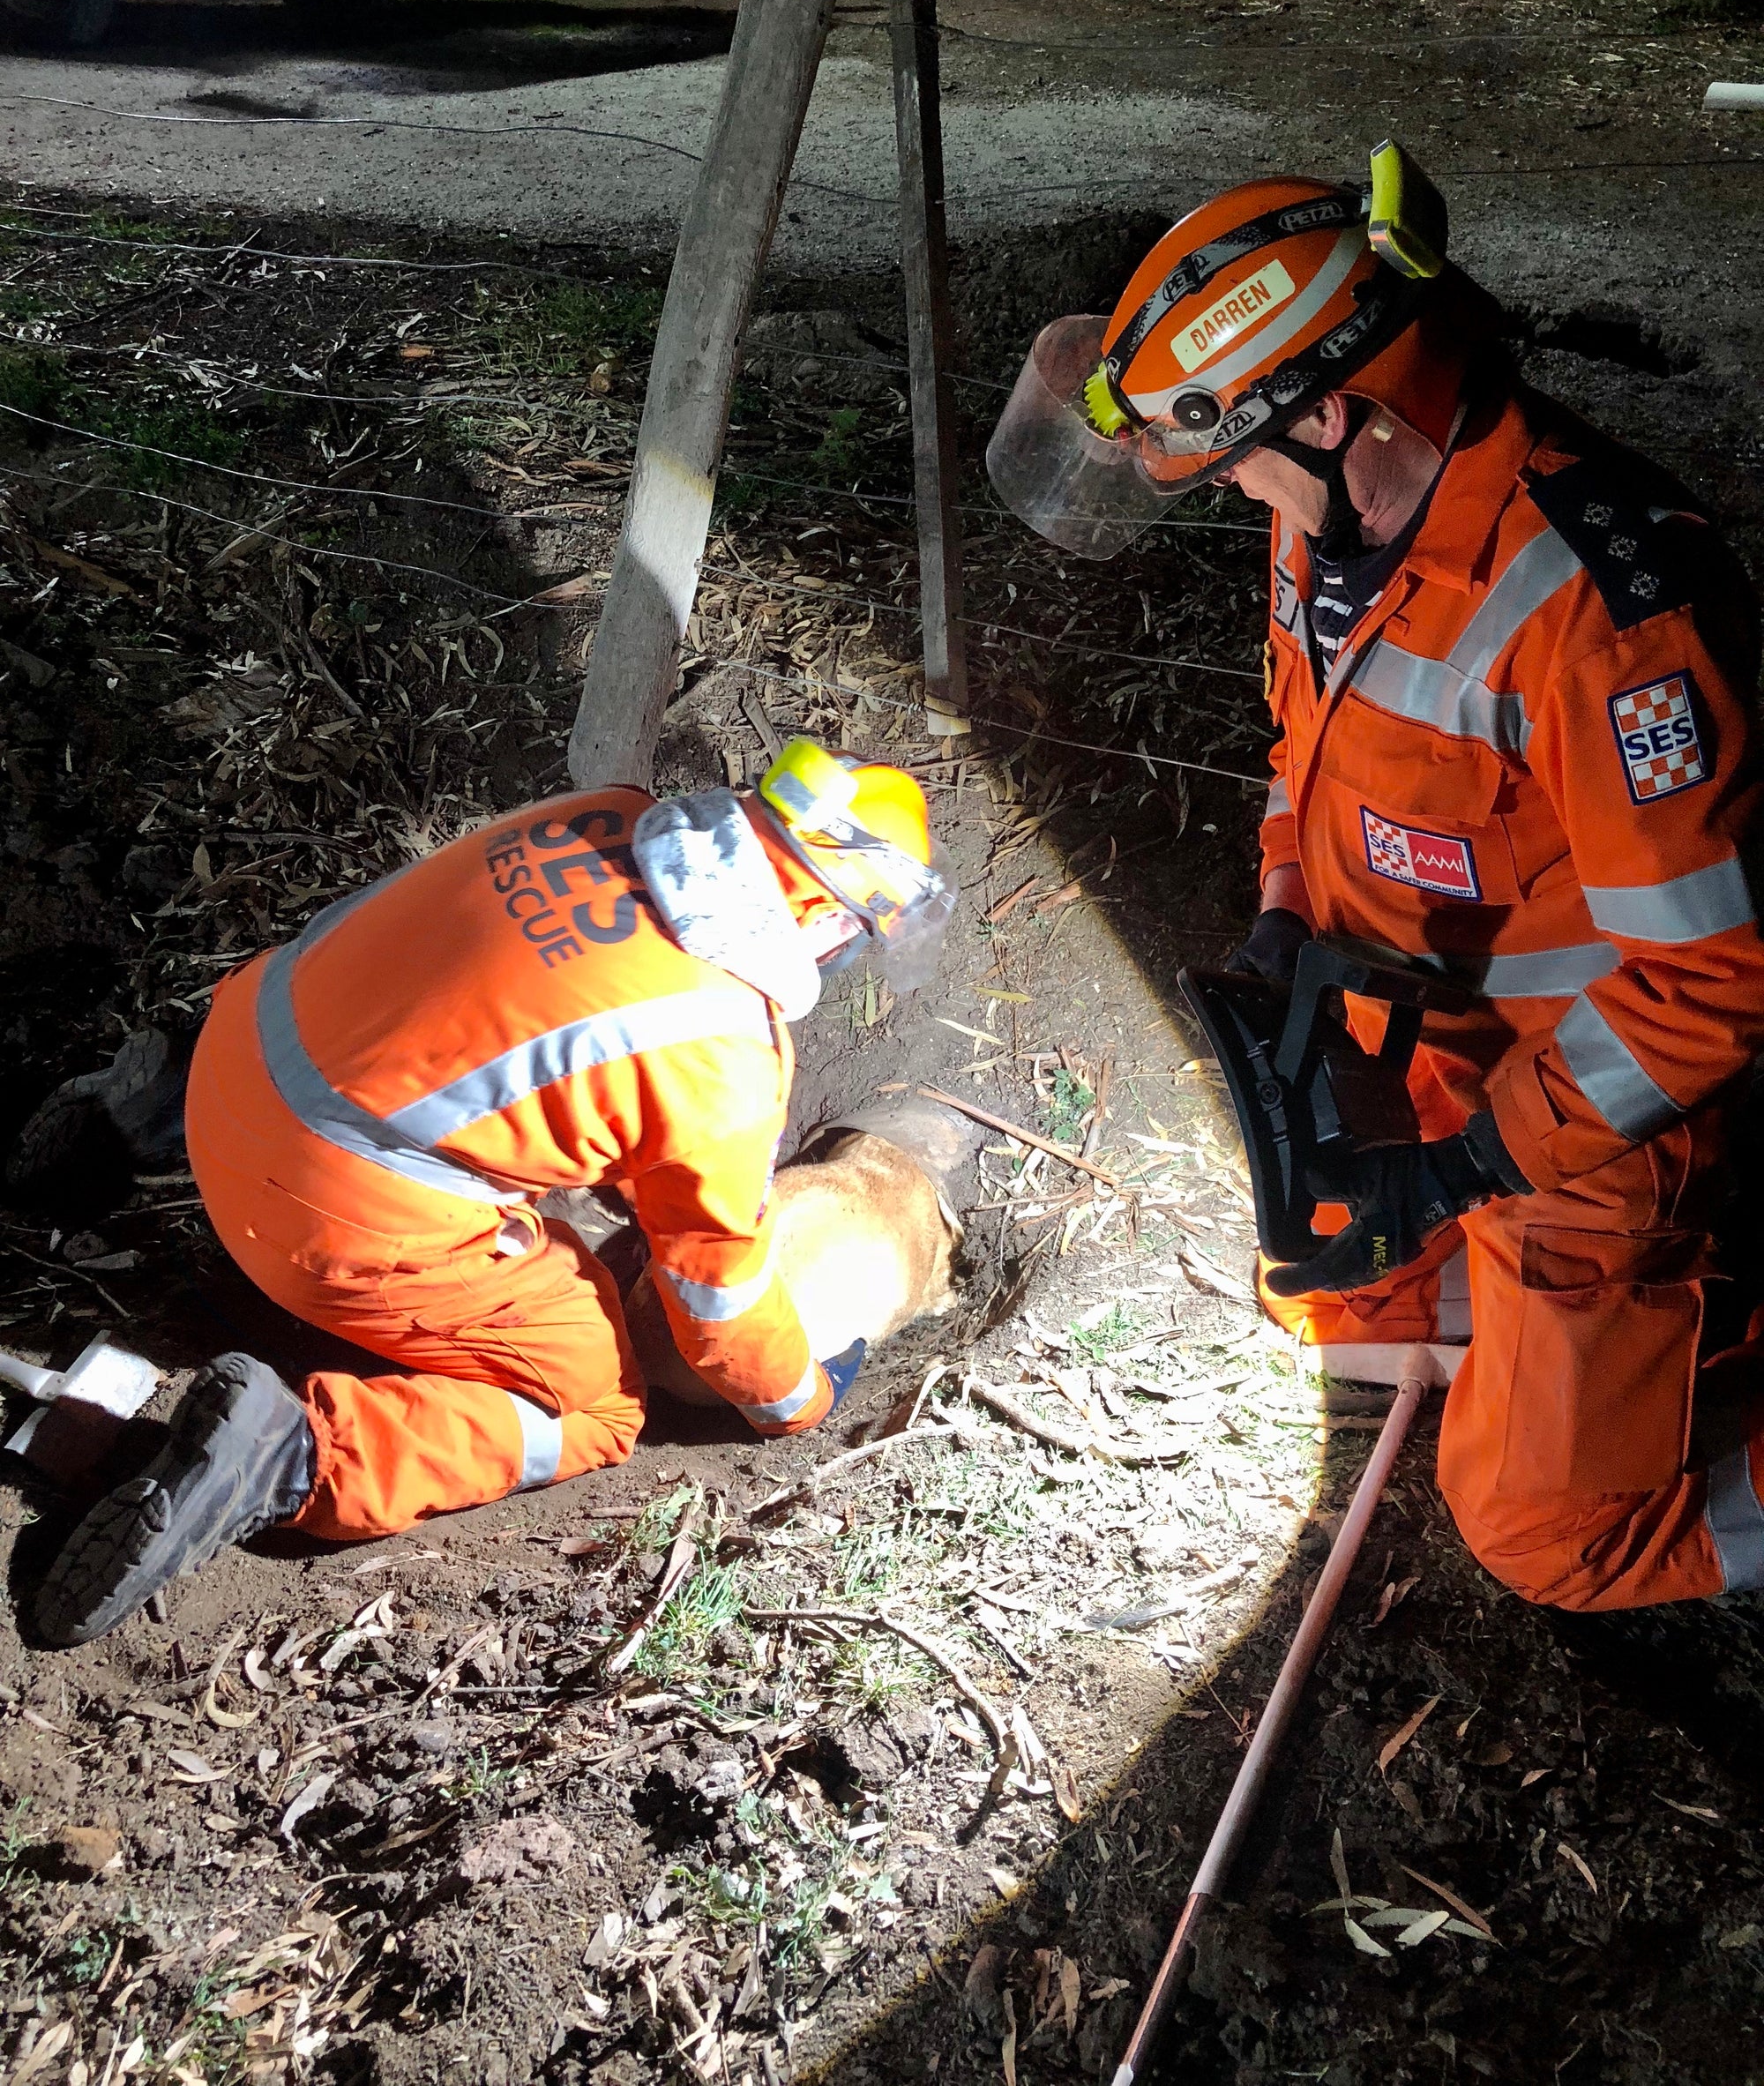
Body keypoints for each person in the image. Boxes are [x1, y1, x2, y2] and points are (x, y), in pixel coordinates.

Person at [986, 144, 1764, 1612]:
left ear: (1337, 409)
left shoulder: (1600, 611)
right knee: (1325, 1301)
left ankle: (1649, 1336)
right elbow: (1310, 747)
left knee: (1549, 1537)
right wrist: (1286, 905)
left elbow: (1709, 981)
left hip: (1579, 1114)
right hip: (1394, 1045)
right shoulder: (1326, 514)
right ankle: (1572, 1348)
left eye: (1232, 466)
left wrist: (1481, 1159)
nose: (1235, 503)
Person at [34, 737, 956, 1647]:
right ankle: (291, 1457)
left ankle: (114, 1125)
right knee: (596, 1410)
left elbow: (541, 1022)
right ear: (831, 917)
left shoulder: (602, 813)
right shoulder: (724, 1057)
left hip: (233, 1050)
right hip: (314, 1210)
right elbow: (717, 1297)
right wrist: (795, 1398)